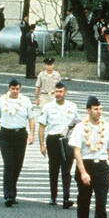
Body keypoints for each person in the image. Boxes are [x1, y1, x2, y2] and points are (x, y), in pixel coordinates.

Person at [70, 95, 109, 218]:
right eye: (96, 109)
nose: (99, 112)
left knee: (101, 203)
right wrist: (83, 172)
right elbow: (77, 152)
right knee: (84, 202)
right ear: (88, 110)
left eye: (100, 109)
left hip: (102, 167)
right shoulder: (80, 127)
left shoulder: (107, 127)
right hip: (86, 164)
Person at [0, 78, 34, 207]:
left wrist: (32, 134)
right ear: (9, 88)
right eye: (13, 89)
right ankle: (8, 194)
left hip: (20, 134)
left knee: (18, 165)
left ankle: (13, 191)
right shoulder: (1, 100)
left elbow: (31, 119)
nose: (15, 91)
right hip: (5, 135)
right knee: (9, 164)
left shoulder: (25, 101)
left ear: (20, 89)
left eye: (17, 89)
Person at [38, 80, 78, 208]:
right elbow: (42, 126)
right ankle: (53, 196)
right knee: (53, 169)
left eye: (61, 91)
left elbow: (77, 124)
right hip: (53, 139)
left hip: (67, 140)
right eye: (56, 91)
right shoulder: (48, 107)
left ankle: (66, 198)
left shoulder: (72, 106)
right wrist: (42, 145)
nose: (58, 94)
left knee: (67, 170)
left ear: (65, 93)